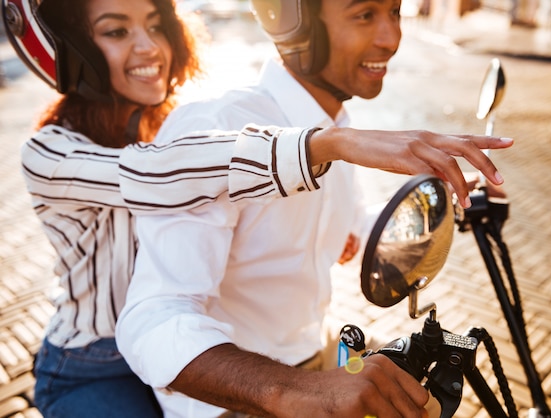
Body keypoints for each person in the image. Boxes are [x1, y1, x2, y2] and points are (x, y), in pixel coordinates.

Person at [3, 0, 498, 416]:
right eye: (364, 14)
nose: (392, 37)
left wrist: (444, 202)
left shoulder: (185, 130)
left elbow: (345, 227)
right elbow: (154, 178)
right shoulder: (67, 152)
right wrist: (327, 145)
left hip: (313, 350)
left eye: (157, 25)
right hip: (101, 359)